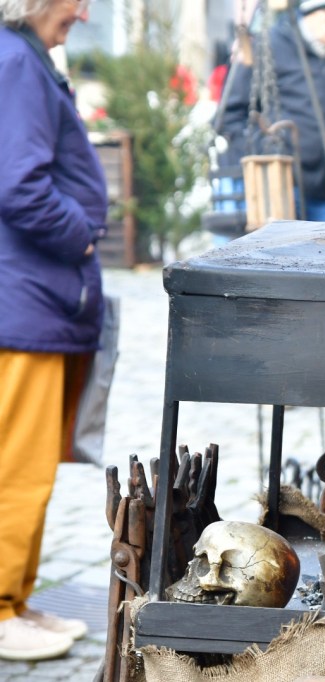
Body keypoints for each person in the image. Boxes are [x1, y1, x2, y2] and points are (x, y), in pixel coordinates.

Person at [0, 0, 108, 662]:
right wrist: (82, 237)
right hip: (25, 300)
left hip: (35, 299)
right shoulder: (15, 60)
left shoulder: (23, 57)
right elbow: (18, 185)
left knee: (31, 460)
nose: (84, 12)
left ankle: (15, 600)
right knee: (17, 463)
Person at [218, 0, 325, 223]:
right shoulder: (270, 46)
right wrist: (264, 151)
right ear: (308, 13)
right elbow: (229, 116)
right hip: (285, 188)